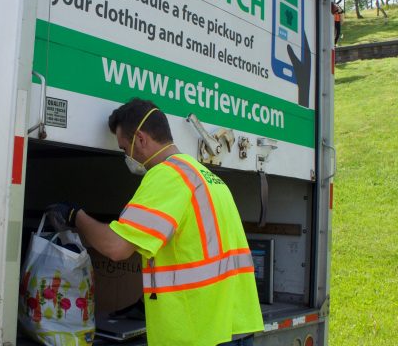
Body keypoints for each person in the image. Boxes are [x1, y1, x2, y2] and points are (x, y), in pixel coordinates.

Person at [47, 98, 263, 346]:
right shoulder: (205, 175)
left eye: (123, 148)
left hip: (201, 332)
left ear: (140, 139)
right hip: (234, 325)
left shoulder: (166, 176)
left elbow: (116, 247)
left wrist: (76, 216)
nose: (126, 156)